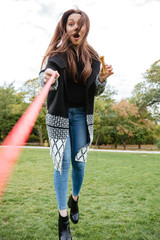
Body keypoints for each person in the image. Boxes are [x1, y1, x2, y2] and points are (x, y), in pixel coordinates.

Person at [39, 8, 114, 240]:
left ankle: (75, 199)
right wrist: (46, 76)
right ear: (65, 28)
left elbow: (96, 91)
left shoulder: (93, 58)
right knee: (62, 164)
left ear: (85, 29)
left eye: (79, 24)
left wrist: (101, 80)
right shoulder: (56, 54)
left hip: (82, 115)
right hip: (58, 117)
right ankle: (63, 219)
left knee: (79, 164)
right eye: (70, 24)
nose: (75, 28)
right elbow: (44, 76)